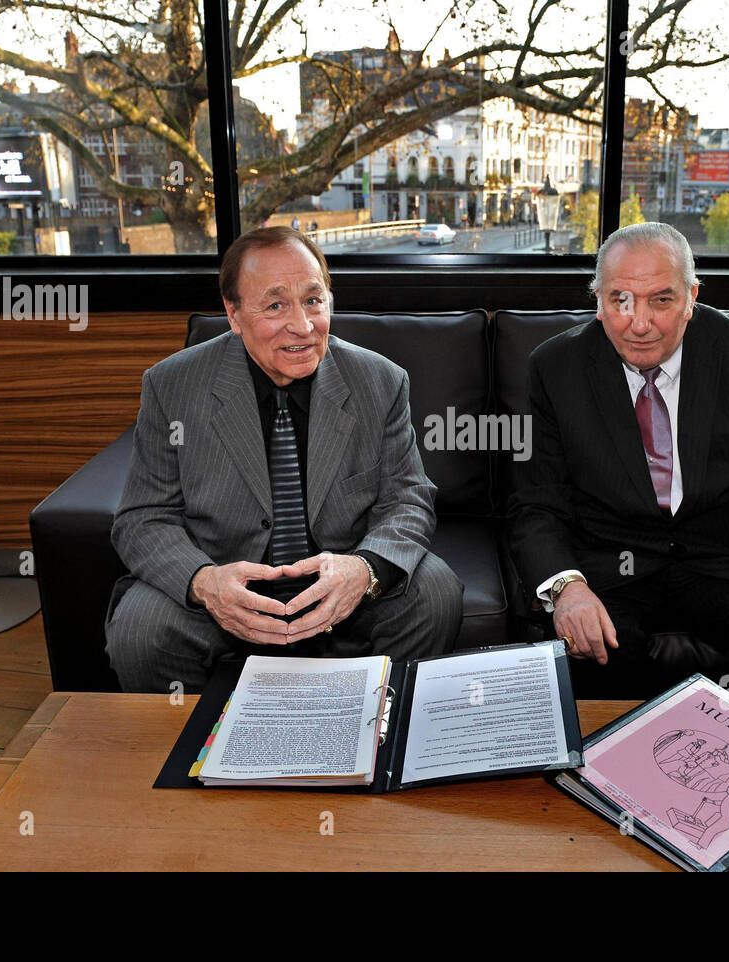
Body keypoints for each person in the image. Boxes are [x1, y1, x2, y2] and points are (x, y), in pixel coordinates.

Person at [507, 222, 729, 697]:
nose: (639, 323)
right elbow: (536, 501)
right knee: (584, 663)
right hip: (612, 562)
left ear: (692, 297)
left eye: (661, 299)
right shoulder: (556, 367)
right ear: (597, 300)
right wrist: (566, 589)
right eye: (620, 300)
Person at [106, 226, 463, 692]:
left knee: (434, 592)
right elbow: (143, 518)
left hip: (342, 592)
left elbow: (408, 499)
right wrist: (204, 582)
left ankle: (378, 736)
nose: (303, 324)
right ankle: (193, 756)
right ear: (233, 314)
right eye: (275, 305)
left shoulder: (380, 381)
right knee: (140, 630)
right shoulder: (173, 386)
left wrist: (364, 569)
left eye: (314, 300)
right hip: (229, 589)